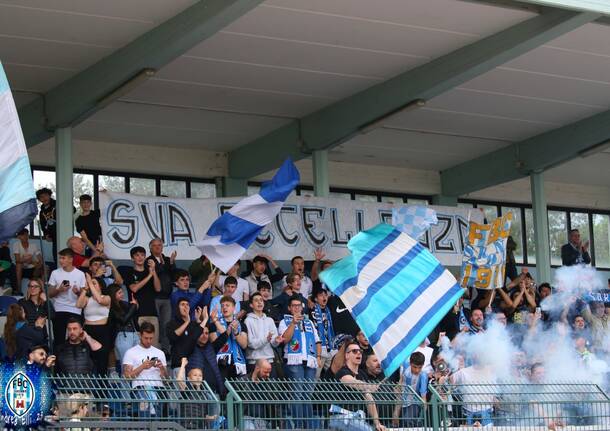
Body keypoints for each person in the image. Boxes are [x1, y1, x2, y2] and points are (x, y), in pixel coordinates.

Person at [278, 295, 321, 429]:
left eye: (299, 305)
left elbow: (317, 341)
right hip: (294, 362)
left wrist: (318, 356)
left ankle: (307, 426)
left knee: (307, 395)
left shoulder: (309, 322)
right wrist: (293, 323)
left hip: (310, 361)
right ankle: (299, 426)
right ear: (289, 308)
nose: (297, 308)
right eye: (294, 306)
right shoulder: (284, 321)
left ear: (302, 307)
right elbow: (285, 339)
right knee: (297, 394)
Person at [334, 339, 386, 431]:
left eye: (360, 351)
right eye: (354, 351)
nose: (358, 353)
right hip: (340, 416)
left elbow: (369, 399)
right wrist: (369, 387)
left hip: (357, 418)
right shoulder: (342, 372)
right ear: (347, 355)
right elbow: (352, 382)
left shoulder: (362, 375)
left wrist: (377, 423)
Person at [122, 322, 168, 418]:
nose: (149, 341)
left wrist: (162, 368)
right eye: (146, 338)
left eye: (151, 338)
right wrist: (142, 367)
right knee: (145, 413)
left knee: (159, 418)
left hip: (159, 388)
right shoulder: (131, 352)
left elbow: (167, 381)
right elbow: (127, 377)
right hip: (140, 388)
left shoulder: (160, 353)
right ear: (140, 335)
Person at [48, 248, 86, 349]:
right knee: (59, 339)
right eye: (60, 258)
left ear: (71, 259)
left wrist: (77, 292)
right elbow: (50, 294)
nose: (60, 260)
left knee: (76, 338)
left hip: (75, 309)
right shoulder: (55, 273)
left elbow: (84, 295)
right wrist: (59, 289)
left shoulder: (80, 274)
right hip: (59, 309)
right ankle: (58, 363)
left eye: (63, 258)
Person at [76, 273, 111, 375]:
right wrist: (85, 290)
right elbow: (78, 305)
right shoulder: (87, 299)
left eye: (94, 283)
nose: (91, 284)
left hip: (102, 330)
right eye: (90, 283)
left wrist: (90, 282)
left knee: (102, 361)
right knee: (87, 359)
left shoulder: (107, 297)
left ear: (100, 285)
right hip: (88, 330)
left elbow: (100, 300)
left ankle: (101, 389)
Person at [146, 238, 176, 354]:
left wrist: (172, 263)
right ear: (150, 248)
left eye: (160, 245)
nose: (158, 247)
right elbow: (157, 273)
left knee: (166, 325)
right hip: (154, 297)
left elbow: (174, 276)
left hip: (167, 298)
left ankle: (166, 350)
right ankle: (154, 349)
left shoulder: (168, 260)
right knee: (155, 325)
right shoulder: (148, 260)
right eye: (155, 245)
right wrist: (163, 264)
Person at [126, 246, 161, 346]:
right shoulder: (129, 272)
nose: (140, 257)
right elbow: (134, 288)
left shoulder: (149, 271)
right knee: (141, 345)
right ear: (132, 258)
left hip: (152, 312)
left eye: (142, 255)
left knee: (153, 345)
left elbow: (158, 288)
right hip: (138, 314)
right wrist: (149, 275)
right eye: (137, 255)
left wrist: (153, 272)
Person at [209, 296, 248, 379]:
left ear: (234, 308)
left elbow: (244, 345)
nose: (224, 307)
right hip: (220, 364)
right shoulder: (214, 324)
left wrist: (236, 333)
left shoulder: (241, 325)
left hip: (237, 364)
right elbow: (214, 346)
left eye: (227, 305)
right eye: (222, 305)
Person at [166, 299, 207, 376]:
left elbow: (197, 338)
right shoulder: (172, 323)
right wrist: (187, 322)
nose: (185, 306)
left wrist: (199, 321)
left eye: (187, 304)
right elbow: (173, 337)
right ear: (177, 308)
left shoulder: (192, 324)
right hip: (179, 365)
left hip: (193, 366)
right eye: (182, 304)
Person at [244, 292, 282, 373]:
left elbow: (274, 343)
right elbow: (251, 344)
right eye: (256, 300)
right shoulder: (248, 321)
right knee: (256, 385)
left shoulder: (270, 320)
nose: (259, 302)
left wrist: (276, 340)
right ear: (251, 305)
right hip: (254, 361)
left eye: (261, 300)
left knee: (271, 386)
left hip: (269, 360)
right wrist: (266, 339)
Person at [176, 357, 218, 429]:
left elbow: (204, 415)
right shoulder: (188, 391)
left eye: (200, 375)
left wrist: (211, 417)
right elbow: (179, 380)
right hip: (186, 426)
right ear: (189, 378)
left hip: (199, 427)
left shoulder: (205, 395)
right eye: (195, 375)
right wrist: (183, 364)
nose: (198, 377)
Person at [108, 283, 139, 367]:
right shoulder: (111, 307)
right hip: (123, 335)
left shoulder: (124, 304)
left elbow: (132, 317)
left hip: (134, 333)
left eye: (122, 292)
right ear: (113, 294)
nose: (122, 294)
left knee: (137, 363)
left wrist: (135, 307)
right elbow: (123, 320)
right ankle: (124, 380)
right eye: (119, 293)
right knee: (126, 365)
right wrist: (133, 307)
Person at [394, 351, 428, 427]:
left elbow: (423, 398)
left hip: (414, 403)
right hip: (402, 401)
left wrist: (423, 415)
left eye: (420, 367)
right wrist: (396, 412)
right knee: (399, 424)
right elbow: (400, 387)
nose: (417, 370)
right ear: (410, 363)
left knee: (407, 421)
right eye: (414, 367)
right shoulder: (405, 365)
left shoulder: (423, 376)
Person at [309, 286, 335, 378]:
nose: (324, 297)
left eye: (326, 295)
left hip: (330, 348)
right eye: (321, 295)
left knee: (333, 375)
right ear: (316, 298)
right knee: (315, 376)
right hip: (319, 348)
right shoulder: (311, 310)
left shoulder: (328, 310)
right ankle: (312, 392)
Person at [13, 228, 42, 294]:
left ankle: (38, 290)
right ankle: (19, 290)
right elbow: (17, 260)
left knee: (43, 266)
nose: (26, 237)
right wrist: (26, 260)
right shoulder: (16, 244)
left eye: (27, 235)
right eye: (23, 235)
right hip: (22, 269)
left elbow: (40, 259)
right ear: (19, 237)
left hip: (33, 268)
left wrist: (31, 261)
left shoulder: (34, 245)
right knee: (18, 265)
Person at [36, 188, 57, 262]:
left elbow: (72, 209)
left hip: (63, 233)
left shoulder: (58, 203)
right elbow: (43, 224)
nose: (44, 198)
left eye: (45, 195)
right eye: (41, 197)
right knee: (56, 255)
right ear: (39, 199)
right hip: (53, 236)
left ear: (49, 195)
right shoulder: (42, 211)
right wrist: (46, 234)